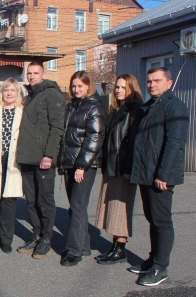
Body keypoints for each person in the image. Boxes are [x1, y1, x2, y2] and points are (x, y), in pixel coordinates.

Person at [128, 67, 189, 287]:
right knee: (152, 218)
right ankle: (152, 259)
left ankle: (160, 267)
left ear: (169, 83)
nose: (152, 84)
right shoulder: (151, 106)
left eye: (157, 81)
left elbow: (175, 143)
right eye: (149, 81)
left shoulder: (174, 106)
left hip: (160, 175)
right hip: (146, 172)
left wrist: (163, 174)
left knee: (162, 221)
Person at [15, 62, 65, 259]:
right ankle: (36, 233)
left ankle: (46, 237)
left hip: (43, 158)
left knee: (44, 201)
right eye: (29, 73)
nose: (32, 76)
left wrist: (49, 155)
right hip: (27, 157)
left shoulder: (51, 94)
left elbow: (57, 127)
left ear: (43, 74)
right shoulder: (30, 96)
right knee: (31, 201)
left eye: (36, 73)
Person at [58, 71, 105, 267]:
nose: (76, 89)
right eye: (74, 86)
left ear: (88, 86)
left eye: (80, 86)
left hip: (84, 166)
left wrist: (82, 166)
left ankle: (73, 250)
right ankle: (84, 245)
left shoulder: (94, 107)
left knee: (77, 206)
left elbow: (94, 138)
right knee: (77, 207)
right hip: (70, 162)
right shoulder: (71, 106)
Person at [95, 74, 143, 265]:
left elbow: (133, 143)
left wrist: (129, 168)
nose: (119, 90)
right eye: (117, 87)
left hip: (123, 169)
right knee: (112, 208)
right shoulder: (116, 109)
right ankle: (115, 245)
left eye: (124, 87)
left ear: (132, 89)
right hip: (111, 167)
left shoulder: (135, 110)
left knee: (121, 208)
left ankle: (120, 248)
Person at [0, 78, 24, 254]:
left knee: (9, 200)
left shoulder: (23, 112)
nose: (9, 93)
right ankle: (1, 235)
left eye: (13, 90)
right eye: (6, 90)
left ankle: (6, 240)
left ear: (18, 94)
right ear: (2, 92)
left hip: (14, 159)